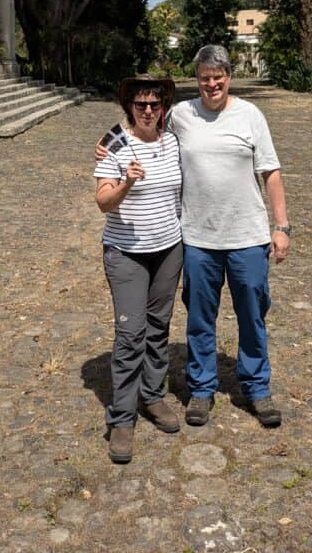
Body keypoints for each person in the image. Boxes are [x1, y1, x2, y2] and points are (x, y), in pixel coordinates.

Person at [166, 44, 291, 428]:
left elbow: (270, 172)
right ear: (197, 79)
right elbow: (146, 135)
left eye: (218, 77)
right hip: (199, 238)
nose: (211, 84)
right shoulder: (181, 115)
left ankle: (257, 388)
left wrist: (281, 226)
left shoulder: (250, 115)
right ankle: (201, 389)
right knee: (200, 318)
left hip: (247, 237)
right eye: (204, 78)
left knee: (253, 314)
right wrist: (113, 144)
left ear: (228, 78)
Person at [94, 75, 183, 464]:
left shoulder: (175, 140)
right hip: (126, 253)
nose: (148, 110)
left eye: (154, 104)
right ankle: (123, 418)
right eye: (140, 104)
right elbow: (103, 202)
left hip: (168, 250)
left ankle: (153, 396)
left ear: (163, 107)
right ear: (129, 107)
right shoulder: (115, 142)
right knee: (131, 334)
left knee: (158, 327)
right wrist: (126, 184)